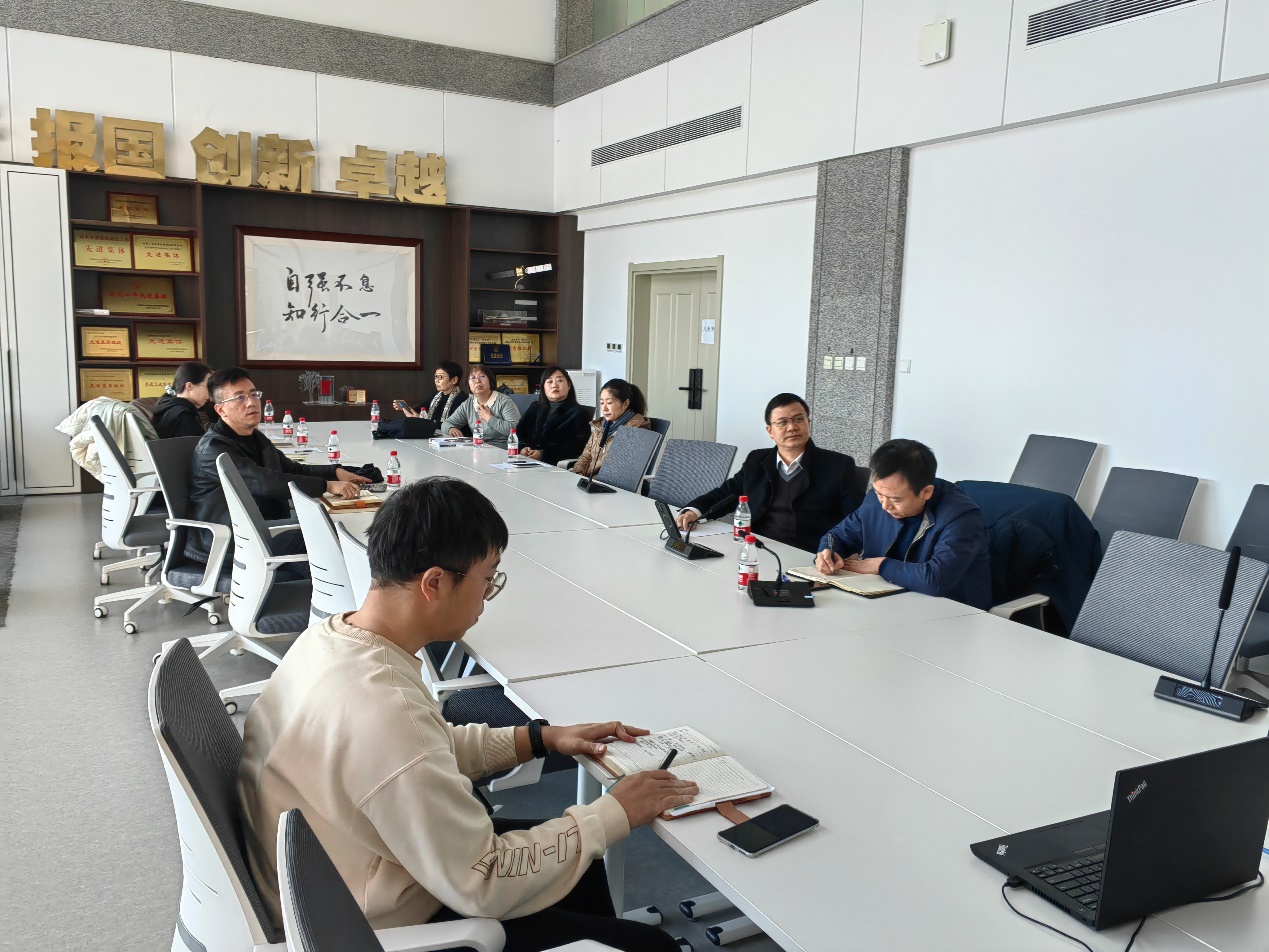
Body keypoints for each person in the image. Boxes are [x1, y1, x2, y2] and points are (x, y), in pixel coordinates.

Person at [237, 478, 695, 951]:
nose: (488, 595)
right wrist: (615, 812)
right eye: (487, 579)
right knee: (651, 947)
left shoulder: (330, 639)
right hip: (370, 926)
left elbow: (421, 750)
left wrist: (540, 738)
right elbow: (485, 880)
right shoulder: (386, 710)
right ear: (435, 582)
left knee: (581, 871)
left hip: (335, 874)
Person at [185, 368, 370, 570]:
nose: (251, 402)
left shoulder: (255, 437)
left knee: (332, 534)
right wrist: (327, 486)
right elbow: (264, 482)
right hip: (229, 542)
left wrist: (334, 472)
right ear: (221, 410)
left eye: (253, 394)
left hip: (260, 528)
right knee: (323, 539)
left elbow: (290, 469)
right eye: (240, 398)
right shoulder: (214, 449)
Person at [814, 438, 992, 610]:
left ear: (926, 492)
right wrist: (828, 552)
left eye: (895, 499)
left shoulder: (961, 516)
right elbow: (838, 536)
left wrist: (880, 566)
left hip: (952, 612)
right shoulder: (877, 499)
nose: (885, 506)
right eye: (879, 494)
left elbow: (936, 580)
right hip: (889, 601)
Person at [675, 393, 863, 552]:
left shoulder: (838, 465)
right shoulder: (757, 460)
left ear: (808, 423)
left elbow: (855, 519)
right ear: (770, 431)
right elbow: (726, 494)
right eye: (782, 422)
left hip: (809, 555)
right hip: (756, 548)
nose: (792, 427)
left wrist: (839, 551)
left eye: (799, 419)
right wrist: (694, 511)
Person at [571, 379, 651, 477]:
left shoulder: (638, 429)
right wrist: (577, 475)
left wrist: (592, 481)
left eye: (609, 403)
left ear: (625, 404)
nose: (604, 408)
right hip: (590, 481)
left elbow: (621, 470)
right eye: (602, 403)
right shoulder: (600, 426)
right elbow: (586, 457)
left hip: (610, 483)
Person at [516, 366, 592, 465]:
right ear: (543, 387)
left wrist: (543, 454)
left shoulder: (579, 413)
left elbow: (579, 447)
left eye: (560, 380)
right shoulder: (535, 408)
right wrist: (522, 447)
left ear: (569, 385)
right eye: (549, 382)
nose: (554, 385)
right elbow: (519, 432)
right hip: (528, 462)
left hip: (554, 465)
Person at [443, 367, 521, 447]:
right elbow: (446, 423)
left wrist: (489, 418)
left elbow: (516, 429)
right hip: (478, 448)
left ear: (490, 380)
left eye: (481, 376)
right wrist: (450, 429)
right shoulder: (468, 403)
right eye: (473, 378)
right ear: (468, 384)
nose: (477, 381)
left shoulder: (504, 402)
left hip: (502, 449)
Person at [151, 361, 214, 439]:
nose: (210, 393)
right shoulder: (183, 415)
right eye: (207, 387)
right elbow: (191, 446)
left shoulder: (168, 407)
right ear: (189, 386)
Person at [393, 359, 464, 422]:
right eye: (435, 377)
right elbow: (419, 410)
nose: (436, 380)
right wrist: (406, 407)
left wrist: (421, 419)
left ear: (454, 380)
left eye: (440, 377)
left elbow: (451, 424)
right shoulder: (437, 396)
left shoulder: (462, 400)